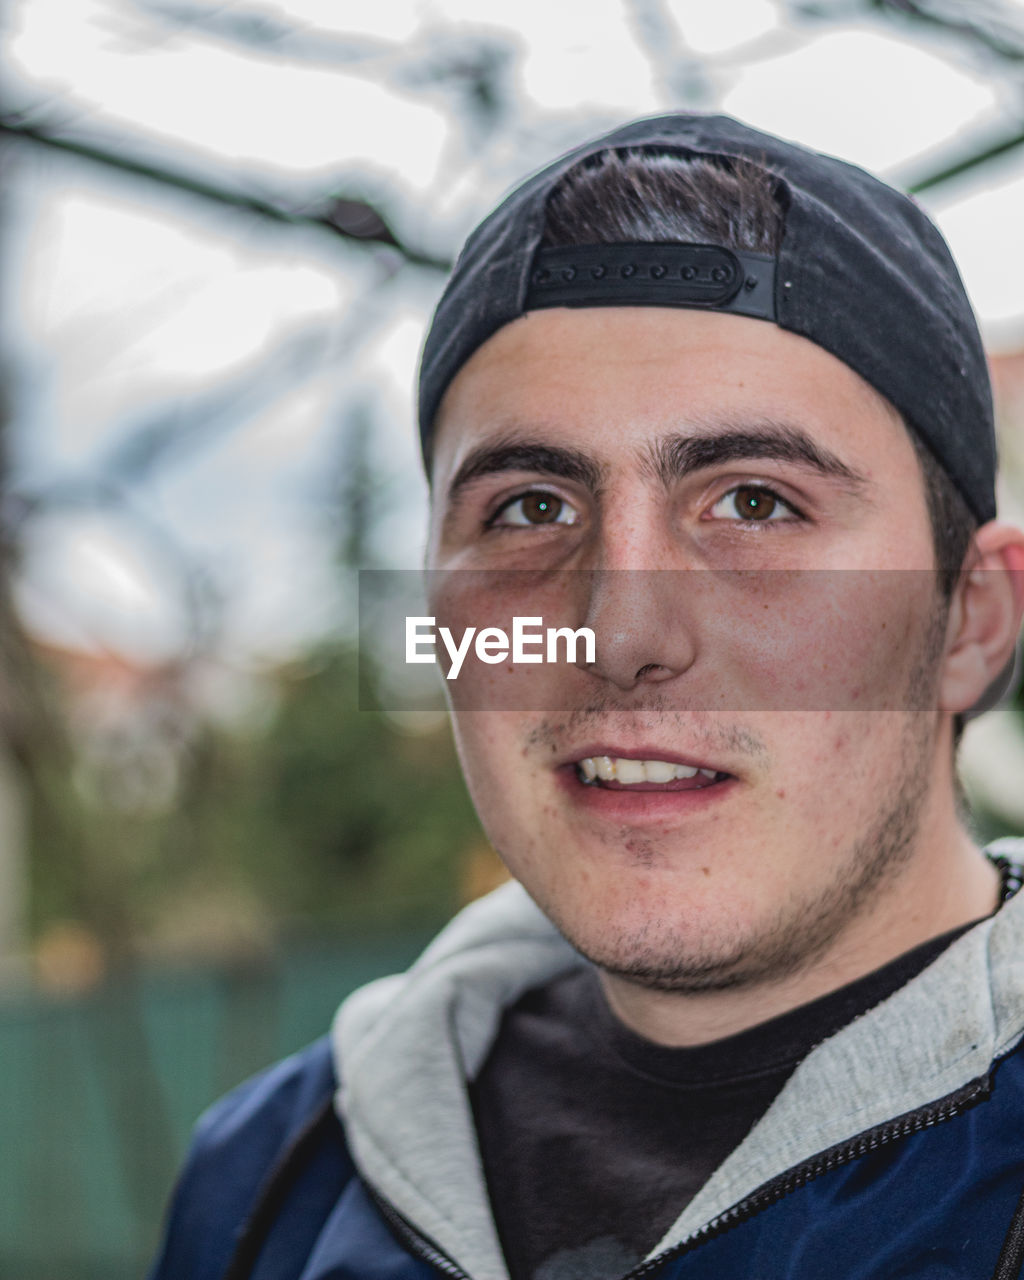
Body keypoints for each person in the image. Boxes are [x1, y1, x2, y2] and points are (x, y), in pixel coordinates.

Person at [149, 113, 1024, 1280]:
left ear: (972, 618)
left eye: (754, 503)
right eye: (529, 509)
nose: (618, 632)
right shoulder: (268, 1177)